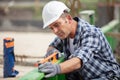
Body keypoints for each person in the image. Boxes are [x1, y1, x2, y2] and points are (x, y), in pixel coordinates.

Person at [38, 1, 120, 80]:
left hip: (107, 77)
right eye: (51, 28)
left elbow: (79, 60)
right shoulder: (65, 34)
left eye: (57, 25)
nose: (55, 31)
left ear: (69, 18)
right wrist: (51, 52)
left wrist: (57, 68)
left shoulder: (91, 33)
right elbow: (52, 46)